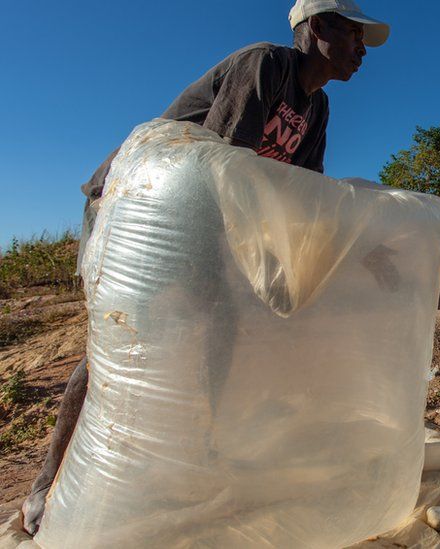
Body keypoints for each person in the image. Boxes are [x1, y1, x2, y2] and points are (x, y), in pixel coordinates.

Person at [21, 0, 389, 535]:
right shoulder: (266, 65)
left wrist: (360, 247)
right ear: (317, 28)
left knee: (223, 329)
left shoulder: (317, 109)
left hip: (203, 211)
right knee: (119, 341)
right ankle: (47, 486)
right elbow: (219, 167)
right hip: (138, 204)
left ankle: (200, 453)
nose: (362, 50)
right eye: (354, 35)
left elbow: (300, 198)